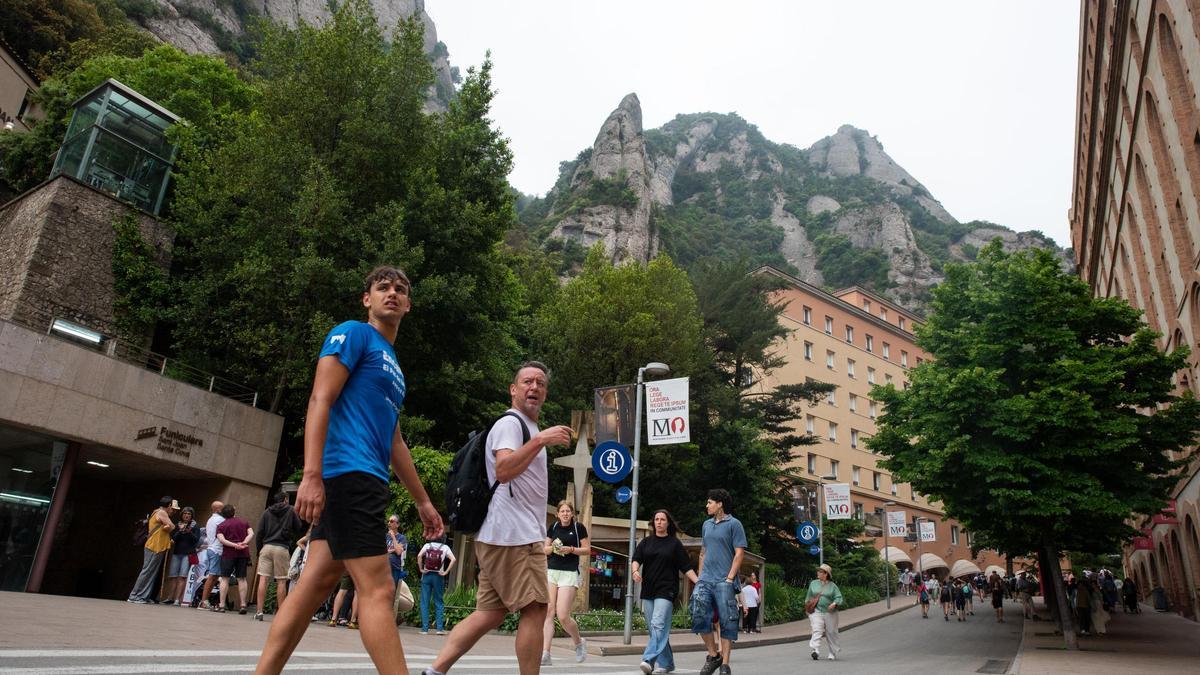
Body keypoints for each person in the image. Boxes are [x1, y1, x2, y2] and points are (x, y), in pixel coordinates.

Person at [255, 267, 443, 675]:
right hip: (348, 475)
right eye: (383, 288)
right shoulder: (353, 334)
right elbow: (320, 399)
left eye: (400, 290)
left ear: (408, 305)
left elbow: (394, 441)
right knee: (378, 589)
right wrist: (311, 474)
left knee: (312, 587)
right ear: (367, 299)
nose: (392, 293)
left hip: (367, 478)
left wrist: (423, 501)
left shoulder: (393, 366)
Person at [424, 362, 571, 675]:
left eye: (541, 383)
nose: (534, 387)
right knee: (535, 609)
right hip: (514, 536)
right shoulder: (511, 424)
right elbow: (504, 470)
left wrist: (537, 438)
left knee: (489, 613)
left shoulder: (526, 427)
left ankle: (434, 671)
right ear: (513, 390)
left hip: (501, 535)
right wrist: (541, 440)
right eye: (527, 382)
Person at [632, 509, 699, 675]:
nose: (659, 522)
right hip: (648, 590)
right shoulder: (646, 542)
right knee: (655, 628)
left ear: (668, 523)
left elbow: (686, 567)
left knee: (658, 624)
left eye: (662, 519)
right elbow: (636, 559)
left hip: (667, 589)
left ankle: (648, 660)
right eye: (657, 519)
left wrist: (698, 582)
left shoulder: (674, 544)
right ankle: (668, 663)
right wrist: (635, 571)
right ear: (653, 522)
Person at [689, 489, 747, 675]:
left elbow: (739, 553)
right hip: (705, 579)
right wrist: (699, 578)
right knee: (698, 614)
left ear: (720, 503)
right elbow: (703, 552)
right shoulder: (706, 525)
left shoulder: (734, 524)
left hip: (724, 580)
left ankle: (725, 665)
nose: (707, 506)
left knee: (727, 620)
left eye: (709, 502)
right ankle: (714, 656)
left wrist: (730, 578)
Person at [541, 500, 590, 666]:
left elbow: (587, 549)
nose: (565, 514)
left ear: (572, 514)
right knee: (548, 611)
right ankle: (546, 653)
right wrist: (553, 548)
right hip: (552, 571)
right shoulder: (553, 527)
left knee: (562, 615)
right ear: (557, 514)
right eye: (562, 511)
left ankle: (578, 643)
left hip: (569, 573)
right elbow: (544, 549)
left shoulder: (578, 528)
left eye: (568, 511)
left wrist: (571, 549)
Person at [255, 491, 305, 620]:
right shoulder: (291, 510)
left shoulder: (266, 512)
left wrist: (259, 549)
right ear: (285, 500)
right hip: (281, 547)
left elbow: (260, 532)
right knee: (281, 581)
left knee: (263, 579)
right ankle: (281, 614)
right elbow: (299, 526)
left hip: (266, 547)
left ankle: (259, 612)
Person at [128, 496, 178, 603]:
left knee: (150, 572)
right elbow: (172, 526)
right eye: (171, 507)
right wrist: (168, 526)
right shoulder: (162, 512)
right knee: (147, 571)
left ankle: (143, 596)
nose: (172, 510)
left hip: (157, 546)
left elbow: (167, 527)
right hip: (155, 546)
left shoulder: (157, 512)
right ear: (169, 505)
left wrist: (167, 527)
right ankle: (135, 596)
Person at [216, 503, 254, 614]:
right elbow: (251, 533)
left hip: (228, 554)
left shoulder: (221, 526)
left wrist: (234, 545)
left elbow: (221, 540)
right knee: (241, 578)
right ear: (234, 511)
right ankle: (243, 605)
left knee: (225, 578)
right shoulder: (244, 522)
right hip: (243, 553)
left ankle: (222, 605)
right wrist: (243, 543)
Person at [417, 535, 456, 635]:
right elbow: (453, 559)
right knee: (439, 601)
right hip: (439, 576)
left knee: (424, 602)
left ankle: (425, 629)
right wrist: (446, 572)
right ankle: (439, 629)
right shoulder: (445, 547)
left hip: (426, 575)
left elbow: (419, 556)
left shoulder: (427, 545)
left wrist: (421, 569)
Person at [805, 563, 844, 661]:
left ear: (826, 574)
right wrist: (807, 608)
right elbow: (808, 596)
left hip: (830, 612)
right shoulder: (813, 583)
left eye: (820, 571)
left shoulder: (833, 586)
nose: (818, 572)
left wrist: (834, 603)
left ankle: (832, 652)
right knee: (816, 629)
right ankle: (815, 650)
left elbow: (839, 597)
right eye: (818, 571)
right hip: (816, 611)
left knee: (831, 632)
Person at [166, 506, 201, 606]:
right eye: (185, 513)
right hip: (177, 553)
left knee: (182, 576)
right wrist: (180, 531)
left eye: (189, 514)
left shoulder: (195, 526)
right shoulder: (178, 525)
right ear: (182, 514)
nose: (186, 515)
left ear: (192, 516)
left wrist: (188, 531)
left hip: (188, 554)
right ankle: (170, 598)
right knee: (173, 576)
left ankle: (177, 599)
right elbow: (174, 539)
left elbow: (196, 541)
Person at [199, 500, 225, 609]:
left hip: (212, 548)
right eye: (222, 508)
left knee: (214, 576)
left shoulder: (211, 519)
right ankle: (204, 601)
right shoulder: (220, 520)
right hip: (216, 550)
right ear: (218, 509)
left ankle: (205, 600)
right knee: (212, 576)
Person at [387, 515, 408, 585]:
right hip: (384, 567)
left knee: (393, 592)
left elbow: (398, 552)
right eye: (388, 521)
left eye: (391, 521)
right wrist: (394, 550)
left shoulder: (402, 538)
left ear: (397, 525)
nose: (389, 523)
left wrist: (393, 536)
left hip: (394, 568)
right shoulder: (385, 536)